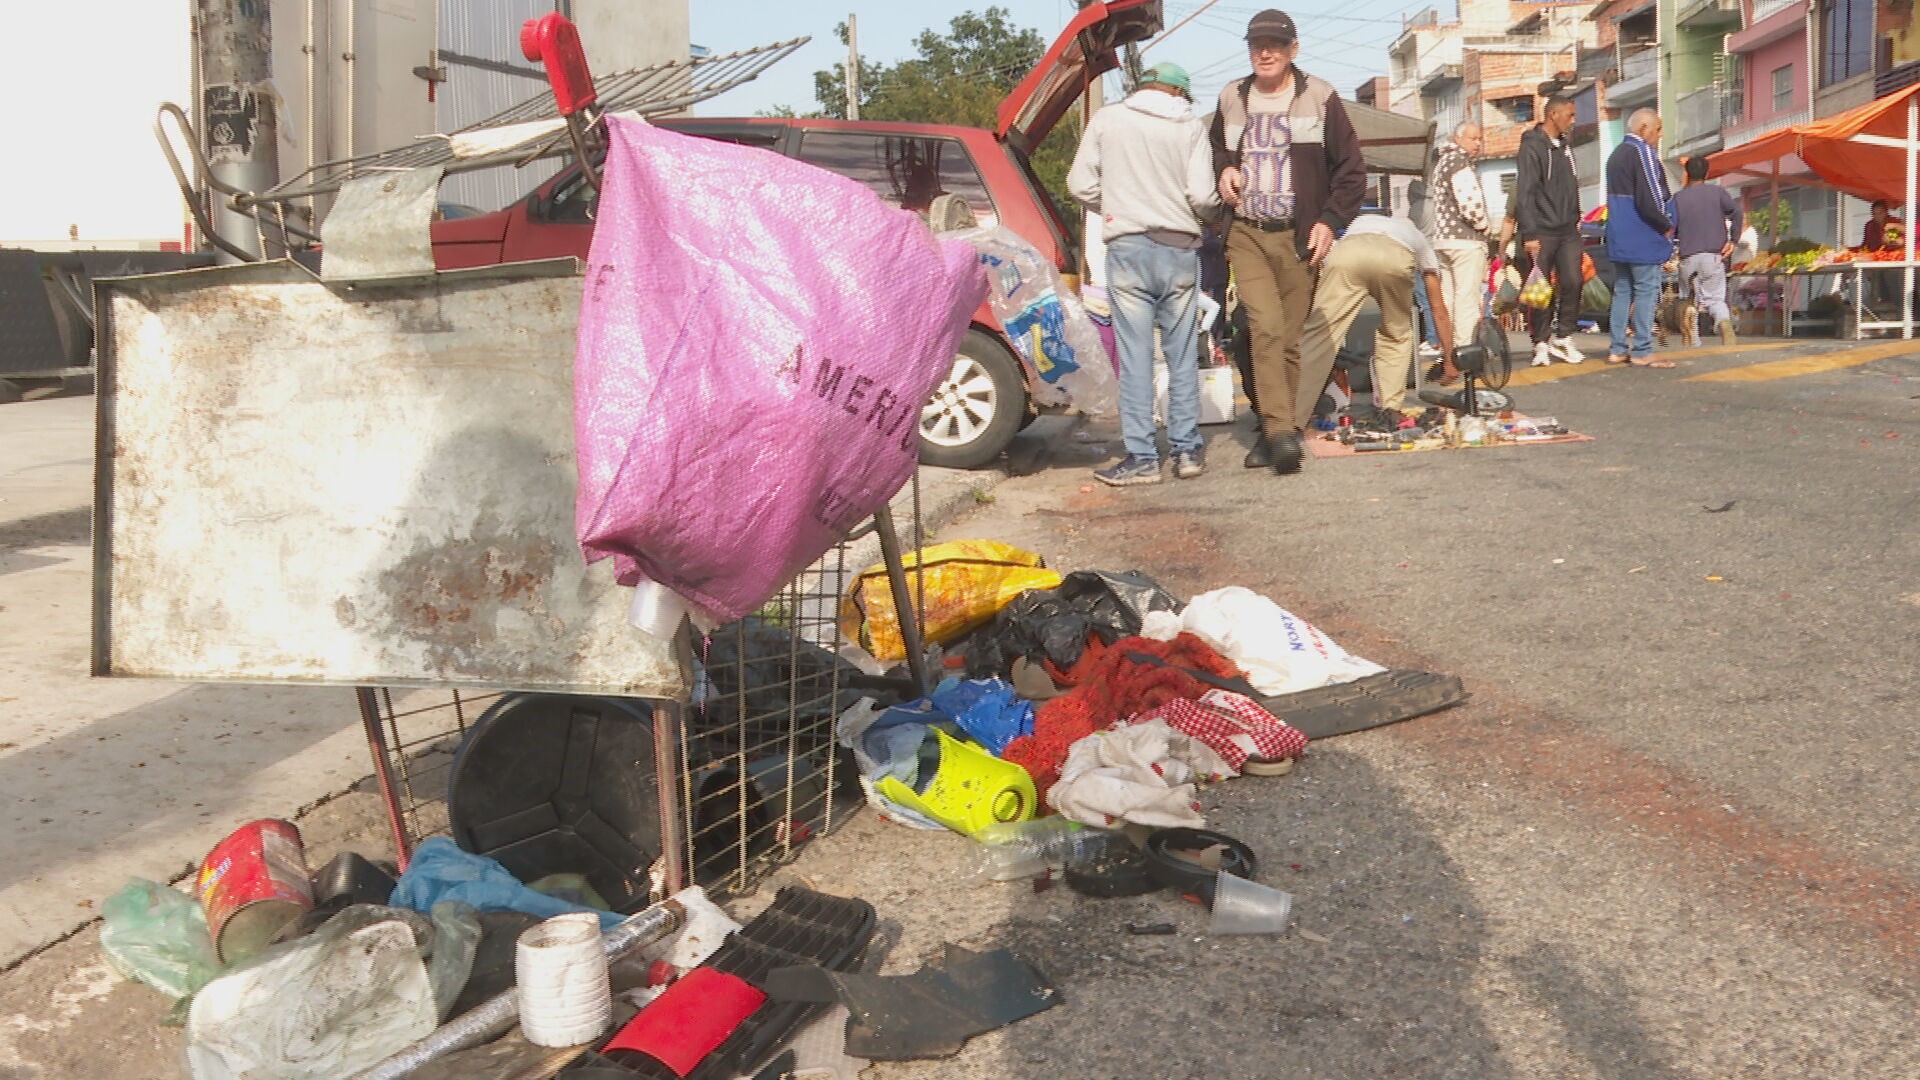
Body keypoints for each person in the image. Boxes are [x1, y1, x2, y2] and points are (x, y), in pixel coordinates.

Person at [1207, 8, 1368, 477]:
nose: (1265, 51)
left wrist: (1329, 222)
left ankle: (1282, 430)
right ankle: (1280, 432)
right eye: (1257, 43)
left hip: (1300, 239)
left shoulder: (1320, 97)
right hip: (1247, 233)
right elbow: (1215, 147)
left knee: (1291, 339)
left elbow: (1351, 171)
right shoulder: (1231, 96)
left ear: (1293, 50)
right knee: (1265, 327)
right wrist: (1225, 167)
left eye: (1275, 44)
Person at [1068, 61, 1220, 486]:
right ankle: (1188, 451)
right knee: (1182, 354)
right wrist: (1202, 214)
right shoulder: (1189, 126)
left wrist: (1117, 204)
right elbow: (1203, 196)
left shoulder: (1108, 118)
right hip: (1178, 250)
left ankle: (1142, 459)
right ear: (1179, 93)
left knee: (1136, 358)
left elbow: (1079, 185)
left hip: (1128, 248)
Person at [1293, 213, 1455, 430]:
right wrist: (1450, 358)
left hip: (1348, 253)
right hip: (1393, 257)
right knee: (1396, 333)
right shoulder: (1420, 240)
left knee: (1319, 334)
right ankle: (1391, 409)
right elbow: (1438, 308)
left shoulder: (1361, 220)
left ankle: (1291, 418)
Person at [1514, 96, 1586, 366]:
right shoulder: (1532, 147)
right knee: (1540, 290)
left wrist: (1577, 214)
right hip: (1541, 230)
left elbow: (1572, 185)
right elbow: (1525, 192)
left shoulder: (1566, 147)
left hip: (1568, 229)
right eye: (1570, 114)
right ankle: (1540, 342)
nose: (1573, 119)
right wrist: (1529, 233)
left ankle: (1564, 336)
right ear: (1553, 114)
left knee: (1573, 281)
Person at [1604, 108, 1674, 367]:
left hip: (1618, 233)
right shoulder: (1641, 151)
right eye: (1657, 131)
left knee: (1623, 290)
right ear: (1644, 129)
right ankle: (1643, 349)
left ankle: (1617, 348)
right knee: (1646, 289)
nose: (1659, 136)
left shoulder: (1615, 155)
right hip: (1641, 234)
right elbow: (1652, 197)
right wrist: (1665, 224)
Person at [1425, 122, 1496, 358]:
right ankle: (1466, 351)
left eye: (1479, 139)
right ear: (1458, 138)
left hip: (1443, 239)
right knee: (1467, 297)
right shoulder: (1459, 163)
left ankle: (1451, 348)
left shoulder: (1441, 162)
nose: (1478, 143)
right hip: (1465, 241)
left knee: (1449, 297)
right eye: (1473, 138)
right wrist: (1485, 227)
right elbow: (1471, 206)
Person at [1671, 154, 1742, 347]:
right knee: (1716, 299)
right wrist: (1733, 240)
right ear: (1707, 173)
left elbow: (1670, 227)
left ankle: (1693, 342)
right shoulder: (1717, 192)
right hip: (1713, 256)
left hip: (1688, 257)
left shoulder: (1678, 198)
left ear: (1686, 173)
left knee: (1688, 301)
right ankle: (1724, 323)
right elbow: (1737, 212)